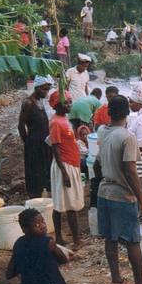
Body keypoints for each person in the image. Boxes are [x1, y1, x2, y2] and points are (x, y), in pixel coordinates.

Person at [95, 95, 142, 284]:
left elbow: (98, 163)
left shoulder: (102, 131)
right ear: (127, 113)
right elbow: (130, 171)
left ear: (109, 112)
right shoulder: (127, 137)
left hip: (104, 191)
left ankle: (116, 280)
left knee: (111, 237)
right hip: (122, 195)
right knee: (133, 240)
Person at [6, 209, 68, 284]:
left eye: (43, 221)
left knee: (27, 279)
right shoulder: (48, 242)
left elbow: (9, 274)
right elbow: (64, 260)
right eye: (37, 225)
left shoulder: (18, 244)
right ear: (24, 229)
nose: (43, 226)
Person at [48, 91, 84, 248]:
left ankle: (60, 237)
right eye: (66, 102)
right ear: (57, 104)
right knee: (69, 205)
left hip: (71, 164)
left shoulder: (64, 119)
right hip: (65, 166)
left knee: (61, 202)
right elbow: (55, 148)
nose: (70, 105)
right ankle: (75, 240)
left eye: (70, 101)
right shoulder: (56, 122)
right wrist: (64, 173)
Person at [19, 75, 53, 198]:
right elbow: (21, 126)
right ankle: (34, 196)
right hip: (33, 143)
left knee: (44, 168)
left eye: (48, 89)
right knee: (34, 170)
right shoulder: (28, 103)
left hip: (44, 143)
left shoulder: (40, 101)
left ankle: (43, 192)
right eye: (44, 89)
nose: (46, 92)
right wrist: (27, 142)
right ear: (37, 88)